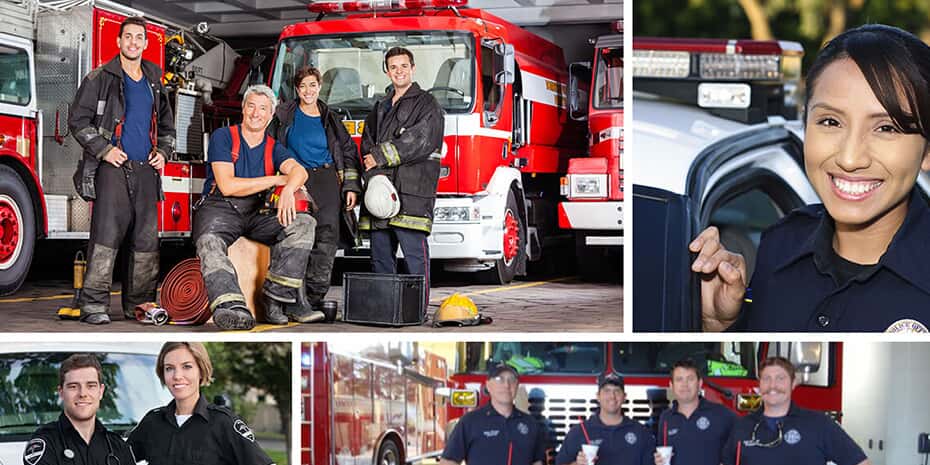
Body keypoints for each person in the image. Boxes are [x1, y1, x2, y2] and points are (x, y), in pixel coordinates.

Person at [692, 24, 930, 332]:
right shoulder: (779, 246)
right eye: (830, 121)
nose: (850, 158)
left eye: (886, 128)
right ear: (806, 125)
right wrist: (719, 323)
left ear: (926, 151)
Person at [68, 16, 175, 325]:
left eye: (138, 37)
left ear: (145, 43)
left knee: (145, 243)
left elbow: (167, 125)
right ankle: (94, 306)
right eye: (127, 37)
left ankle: (140, 306)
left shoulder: (155, 79)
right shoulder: (100, 78)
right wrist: (104, 149)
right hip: (113, 168)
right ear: (118, 41)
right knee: (106, 237)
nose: (132, 42)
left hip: (146, 170)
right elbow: (77, 121)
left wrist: (164, 153)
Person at [193, 84, 313, 330]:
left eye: (263, 109)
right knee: (209, 243)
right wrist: (276, 179)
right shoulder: (223, 137)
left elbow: (300, 172)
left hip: (258, 211)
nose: (256, 113)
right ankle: (231, 307)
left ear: (271, 116)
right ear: (243, 109)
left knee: (303, 224)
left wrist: (289, 189)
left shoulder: (274, 147)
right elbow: (227, 185)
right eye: (251, 106)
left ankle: (275, 298)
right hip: (221, 208)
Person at [269, 66, 362, 321]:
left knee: (326, 240)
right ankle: (291, 301)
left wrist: (350, 187)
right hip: (298, 180)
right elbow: (271, 148)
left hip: (327, 180)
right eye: (303, 87)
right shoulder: (284, 115)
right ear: (296, 90)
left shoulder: (330, 118)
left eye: (312, 85)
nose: (308, 91)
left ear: (319, 87)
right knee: (300, 239)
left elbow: (348, 152)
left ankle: (314, 298)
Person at [359, 47, 444, 297]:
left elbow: (421, 140)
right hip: (380, 195)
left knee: (415, 259)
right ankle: (386, 309)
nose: (399, 71)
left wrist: (379, 157)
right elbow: (366, 145)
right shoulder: (380, 107)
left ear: (413, 68)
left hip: (412, 195)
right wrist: (373, 176)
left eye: (403, 66)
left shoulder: (427, 104)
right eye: (393, 67)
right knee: (380, 259)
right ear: (387, 71)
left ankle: (417, 309)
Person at [128, 342, 275, 465]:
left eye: (187, 366)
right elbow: (118, 457)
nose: (177, 376)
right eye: (169, 368)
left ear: (201, 371)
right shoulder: (152, 422)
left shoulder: (223, 423)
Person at [721, 357, 869, 465]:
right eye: (766, 378)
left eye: (780, 378)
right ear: (759, 386)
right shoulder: (742, 426)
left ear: (793, 384)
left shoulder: (819, 424)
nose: (773, 385)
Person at [23, 354, 135, 465]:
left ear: (101, 391)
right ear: (61, 392)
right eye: (73, 386)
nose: (82, 394)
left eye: (91, 386)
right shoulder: (46, 443)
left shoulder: (118, 447)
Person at [440, 362, 547, 465]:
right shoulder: (470, 422)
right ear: (488, 386)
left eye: (512, 380)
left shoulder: (531, 424)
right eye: (499, 379)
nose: (506, 385)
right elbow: (448, 461)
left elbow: (537, 462)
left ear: (517, 386)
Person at [556, 373, 655, 465]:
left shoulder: (641, 432)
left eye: (617, 391)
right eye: (607, 391)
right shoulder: (578, 432)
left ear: (624, 397)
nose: (612, 396)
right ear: (598, 396)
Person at [654, 360, 735, 465]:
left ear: (700, 383)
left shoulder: (722, 414)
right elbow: (662, 454)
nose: (685, 384)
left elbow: (743, 447)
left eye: (690, 379)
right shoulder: (666, 418)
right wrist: (658, 461)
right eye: (679, 380)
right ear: (671, 385)